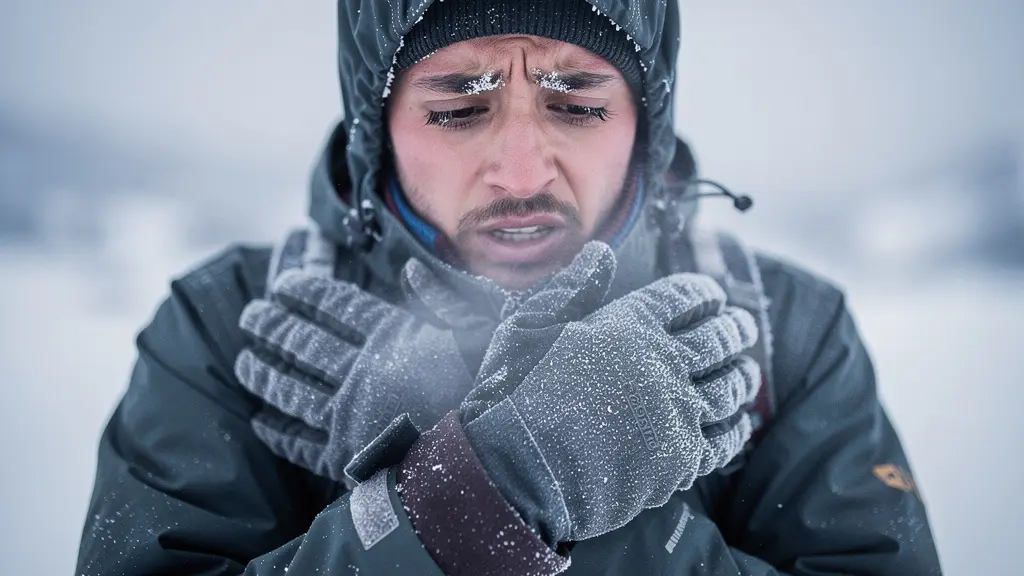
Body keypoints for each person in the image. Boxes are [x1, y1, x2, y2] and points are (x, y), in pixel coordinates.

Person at [77, 1, 942, 574]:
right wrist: (474, 482)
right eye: (459, 107)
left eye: (578, 103)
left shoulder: (787, 333)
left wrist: (537, 486)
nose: (521, 170)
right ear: (375, 125)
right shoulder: (225, 328)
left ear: (647, 119)